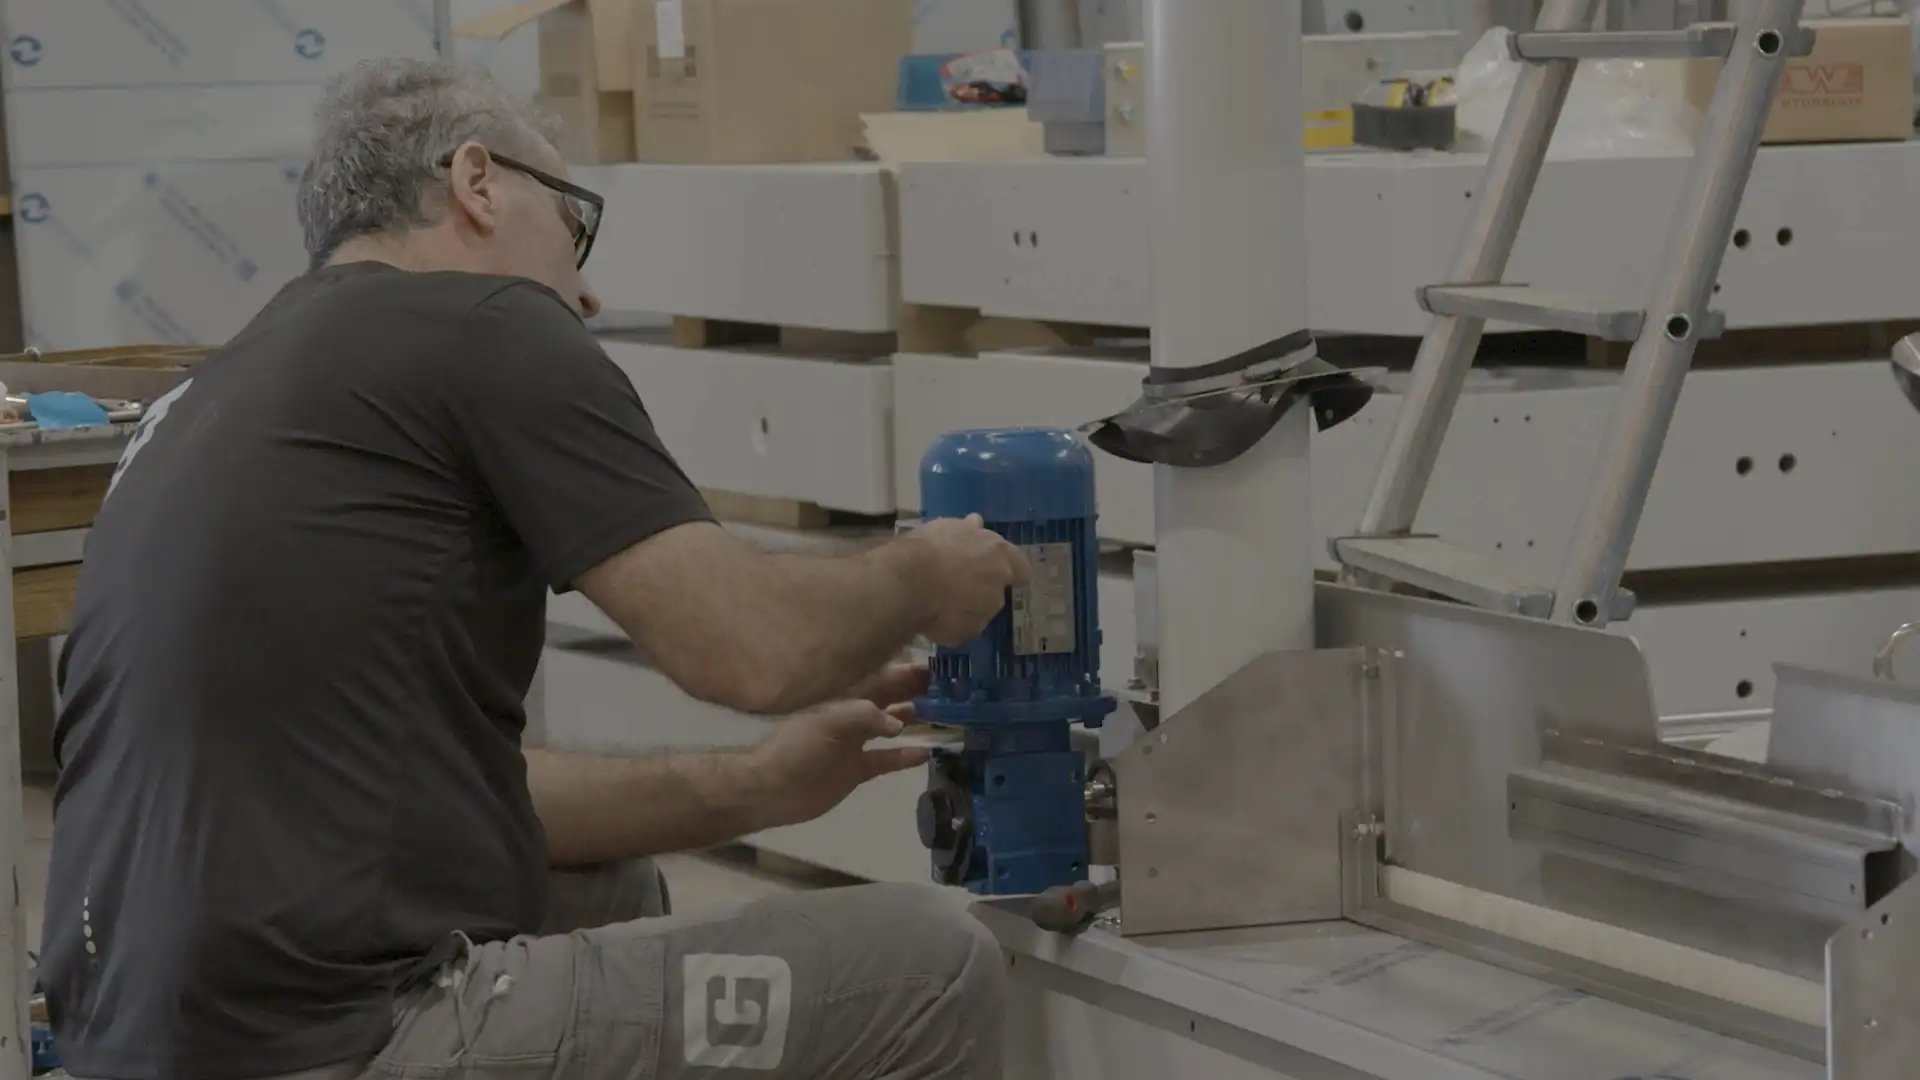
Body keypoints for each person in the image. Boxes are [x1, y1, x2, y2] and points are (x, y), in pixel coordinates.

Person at [43, 59, 1030, 1080]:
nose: (588, 288)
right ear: (478, 182)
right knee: (934, 967)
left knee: (606, 889)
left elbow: (445, 790)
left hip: (128, 1039)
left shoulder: (216, 390)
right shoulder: (489, 322)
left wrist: (758, 787)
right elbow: (752, 650)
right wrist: (926, 572)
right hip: (331, 1037)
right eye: (577, 225)